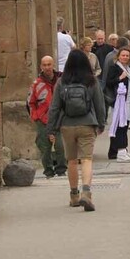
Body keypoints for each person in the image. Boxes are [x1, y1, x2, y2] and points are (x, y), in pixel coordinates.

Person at [46, 50, 106, 211]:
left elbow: (54, 107)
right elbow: (100, 104)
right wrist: (101, 124)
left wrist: (51, 128)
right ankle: (86, 192)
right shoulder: (91, 80)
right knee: (86, 159)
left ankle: (74, 195)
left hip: (67, 125)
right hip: (87, 124)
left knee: (71, 161)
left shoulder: (61, 81)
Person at [28, 56, 67, 178]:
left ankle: (61, 169)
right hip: (43, 120)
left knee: (60, 146)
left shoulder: (61, 80)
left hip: (59, 118)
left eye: (49, 64)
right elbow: (30, 103)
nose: (47, 67)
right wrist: (36, 117)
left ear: (53, 65)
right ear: (41, 66)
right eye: (44, 65)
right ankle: (48, 170)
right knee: (45, 147)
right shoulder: (36, 84)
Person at [105, 47, 130, 163]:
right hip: (119, 102)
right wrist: (119, 78)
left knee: (125, 126)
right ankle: (120, 151)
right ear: (118, 56)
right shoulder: (114, 68)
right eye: (123, 55)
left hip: (128, 101)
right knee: (120, 127)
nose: (125, 57)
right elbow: (108, 82)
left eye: (127, 56)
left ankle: (124, 150)